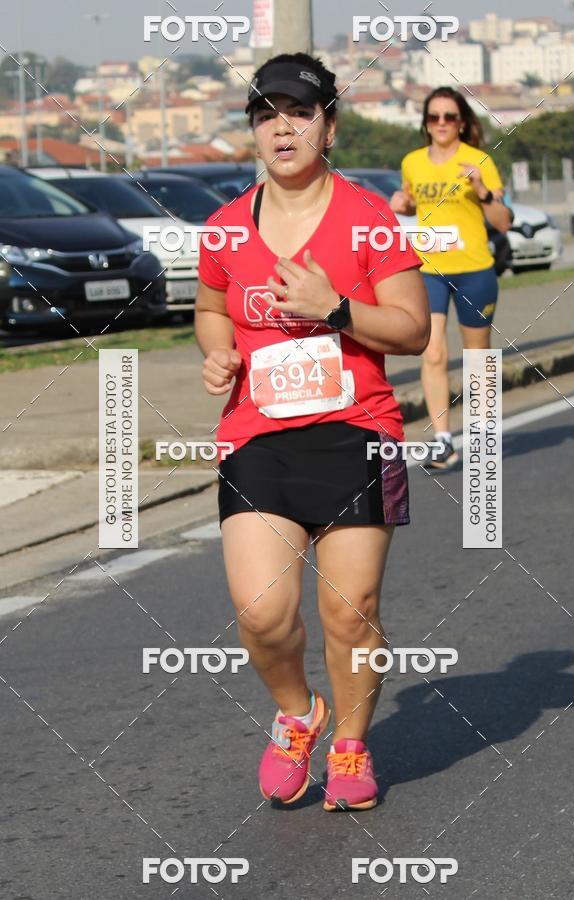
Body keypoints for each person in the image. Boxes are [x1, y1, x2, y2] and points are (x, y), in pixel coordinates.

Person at [195, 52, 430, 812]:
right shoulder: (225, 229)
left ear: (330, 126)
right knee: (262, 612)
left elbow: (414, 331)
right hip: (257, 435)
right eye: (267, 115)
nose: (283, 128)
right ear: (253, 131)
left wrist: (334, 307)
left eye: (300, 113)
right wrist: (217, 351)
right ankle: (298, 715)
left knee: (349, 608)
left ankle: (352, 744)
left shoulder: (368, 219)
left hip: (360, 431)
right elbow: (210, 306)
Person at [391, 86, 511, 469]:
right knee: (433, 351)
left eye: (449, 116)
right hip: (429, 269)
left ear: (461, 122)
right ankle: (443, 440)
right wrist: (404, 206)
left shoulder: (479, 160)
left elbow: (503, 222)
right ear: (426, 123)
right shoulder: (412, 162)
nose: (441, 123)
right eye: (433, 116)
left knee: (477, 357)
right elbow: (413, 205)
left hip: (474, 268)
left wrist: (481, 189)